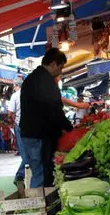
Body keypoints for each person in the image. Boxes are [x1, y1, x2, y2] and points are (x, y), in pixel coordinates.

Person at [21, 48, 73, 188]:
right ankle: (41, 206)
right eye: (61, 67)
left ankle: (36, 204)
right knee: (43, 174)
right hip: (39, 136)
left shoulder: (32, 78)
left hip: (29, 134)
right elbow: (55, 109)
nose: (60, 71)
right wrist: (69, 128)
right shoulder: (46, 82)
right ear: (54, 64)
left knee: (37, 172)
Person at [8, 81, 26, 183]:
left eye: (14, 86)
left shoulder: (15, 96)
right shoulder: (29, 94)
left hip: (19, 126)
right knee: (27, 153)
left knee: (25, 154)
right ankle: (22, 175)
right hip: (30, 127)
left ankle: (20, 175)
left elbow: (10, 113)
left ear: (17, 86)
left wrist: (11, 123)